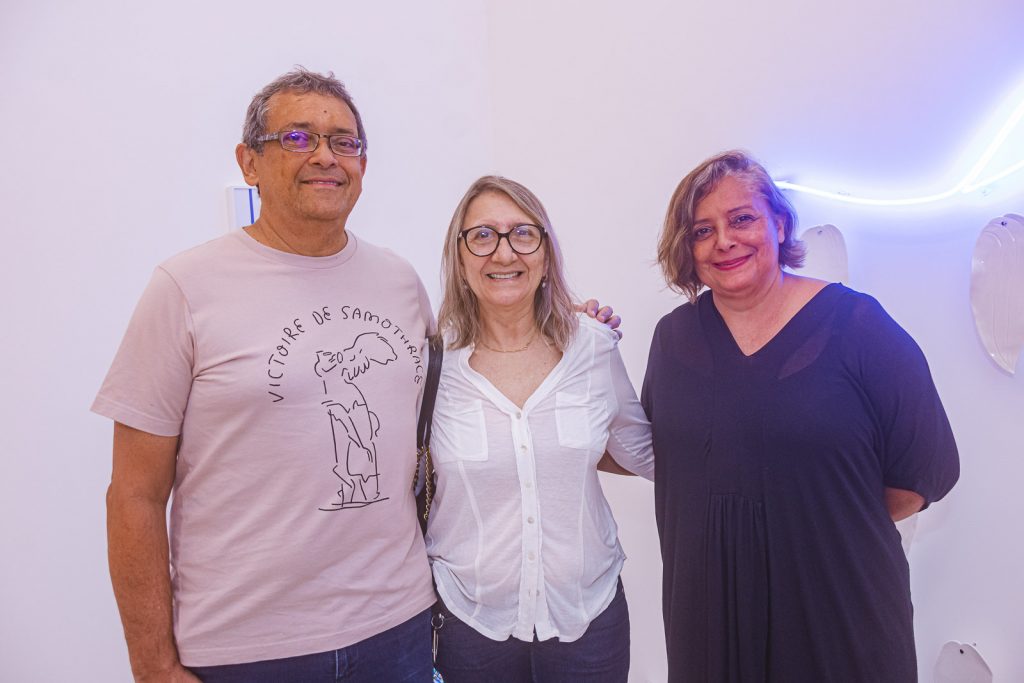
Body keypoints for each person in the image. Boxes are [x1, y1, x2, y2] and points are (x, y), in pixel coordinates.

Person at [93, 68, 619, 683]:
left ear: (364, 164)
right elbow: (133, 493)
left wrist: (573, 334)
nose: (325, 156)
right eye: (297, 138)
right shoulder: (184, 289)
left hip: (398, 629)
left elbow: (483, 397)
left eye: (345, 142)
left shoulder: (399, 283)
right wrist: (153, 666)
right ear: (249, 162)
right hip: (245, 649)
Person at [643, 150, 960, 681]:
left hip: (837, 615)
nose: (724, 240)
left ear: (780, 222)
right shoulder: (673, 339)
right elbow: (663, 455)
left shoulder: (859, 326)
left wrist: (819, 519)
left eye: (742, 218)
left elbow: (923, 472)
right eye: (702, 230)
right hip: (709, 625)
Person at [425, 176, 654, 682]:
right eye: (482, 236)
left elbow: (645, 453)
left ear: (545, 254)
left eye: (522, 234)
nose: (504, 252)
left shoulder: (593, 347)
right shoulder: (431, 365)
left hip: (587, 619)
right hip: (470, 623)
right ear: (460, 259)